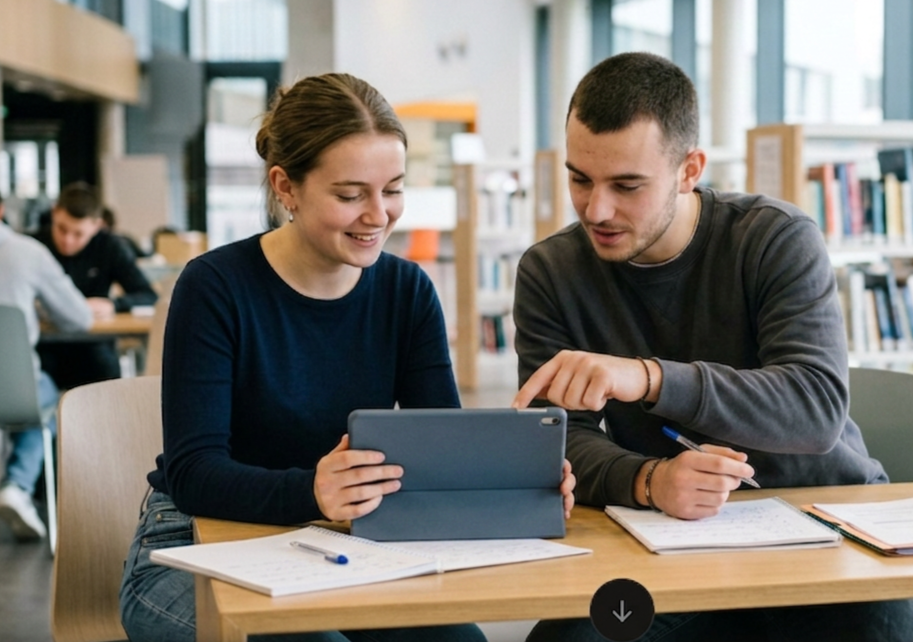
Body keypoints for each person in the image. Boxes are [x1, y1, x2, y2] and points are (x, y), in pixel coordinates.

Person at [118, 72, 575, 642]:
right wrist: (311, 491)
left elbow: (442, 446)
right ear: (285, 186)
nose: (379, 214)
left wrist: (512, 481)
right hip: (194, 542)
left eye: (393, 189)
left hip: (343, 542)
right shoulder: (214, 287)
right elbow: (193, 473)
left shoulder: (407, 291)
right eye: (350, 194)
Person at [512, 53, 913, 641]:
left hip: (818, 528)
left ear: (689, 169)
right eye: (580, 179)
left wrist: (648, 378)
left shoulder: (775, 239)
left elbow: (815, 409)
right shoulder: (551, 272)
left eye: (627, 185)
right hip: (665, 544)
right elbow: (555, 436)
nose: (596, 209)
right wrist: (649, 479)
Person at [0, 195, 93, 541]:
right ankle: (18, 485)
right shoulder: (27, 253)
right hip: (12, 390)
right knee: (49, 397)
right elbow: (78, 317)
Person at [33, 182, 158, 389]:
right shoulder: (34, 247)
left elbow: (148, 295)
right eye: (62, 229)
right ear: (55, 213)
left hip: (92, 343)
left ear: (96, 225)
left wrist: (113, 305)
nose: (68, 240)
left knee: (104, 368)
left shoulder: (110, 246)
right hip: (44, 343)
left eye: (78, 234)